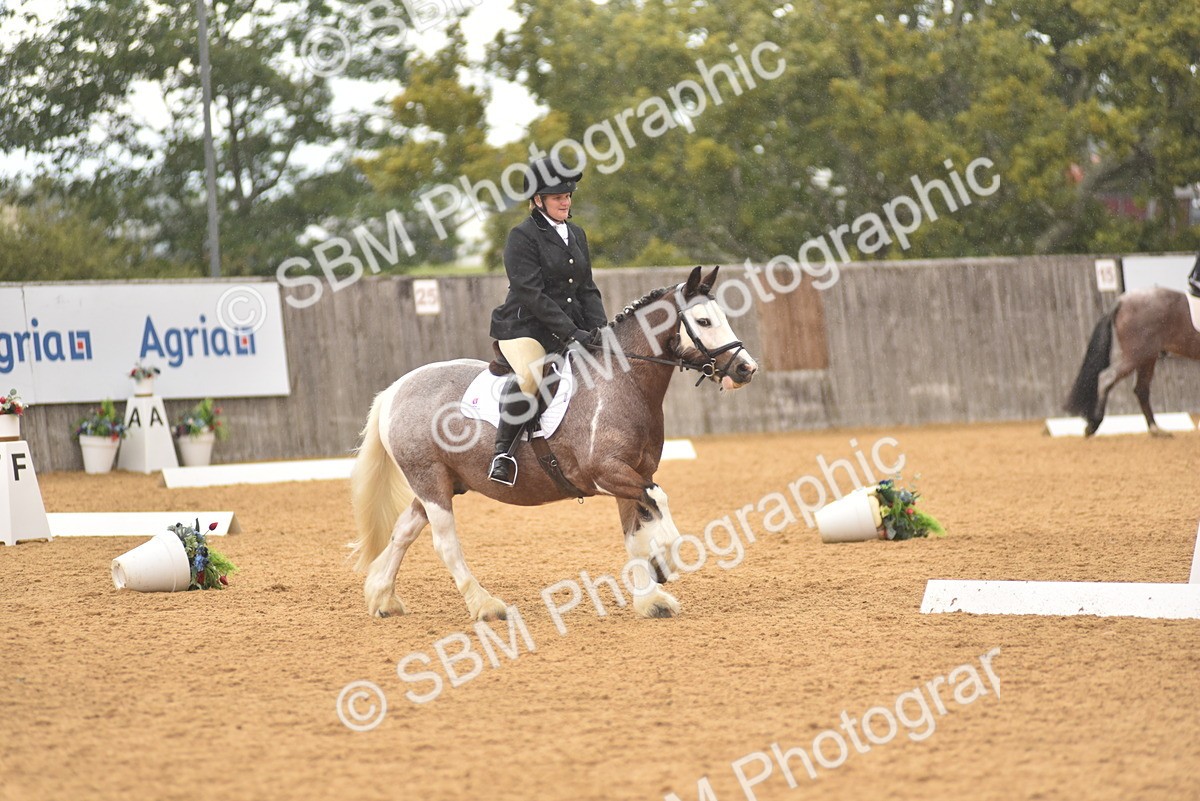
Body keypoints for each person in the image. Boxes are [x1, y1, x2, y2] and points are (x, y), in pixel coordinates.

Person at [486, 157, 608, 485]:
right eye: (557, 197)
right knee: (531, 375)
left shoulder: (576, 234)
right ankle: (503, 454)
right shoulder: (521, 236)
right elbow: (531, 294)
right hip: (525, 327)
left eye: (568, 195)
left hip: (570, 328)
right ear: (538, 200)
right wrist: (571, 334)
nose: (565, 201)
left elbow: (586, 288)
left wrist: (601, 329)